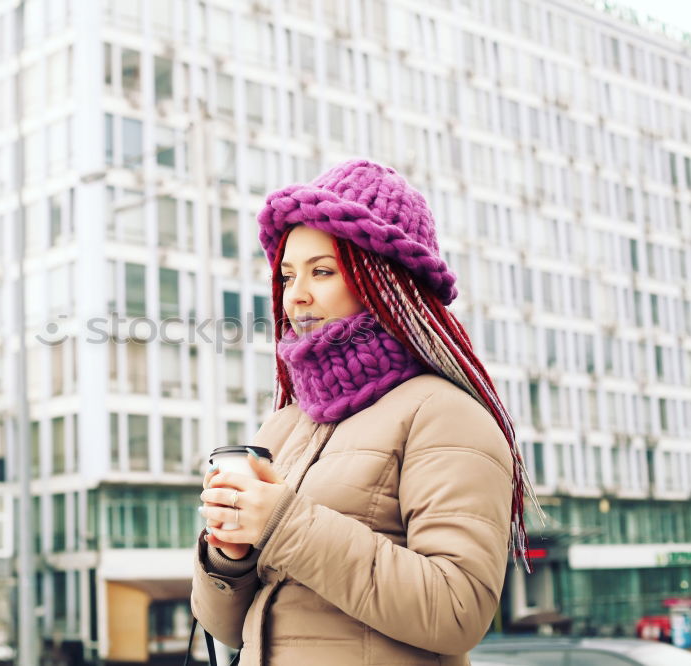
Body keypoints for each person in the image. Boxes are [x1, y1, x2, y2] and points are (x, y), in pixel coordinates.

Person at [191, 159, 536, 665]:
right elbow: (227, 629)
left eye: (322, 271)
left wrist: (282, 525)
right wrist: (230, 554)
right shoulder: (286, 424)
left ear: (383, 278)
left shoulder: (444, 414)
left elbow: (458, 611)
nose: (297, 296)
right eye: (288, 276)